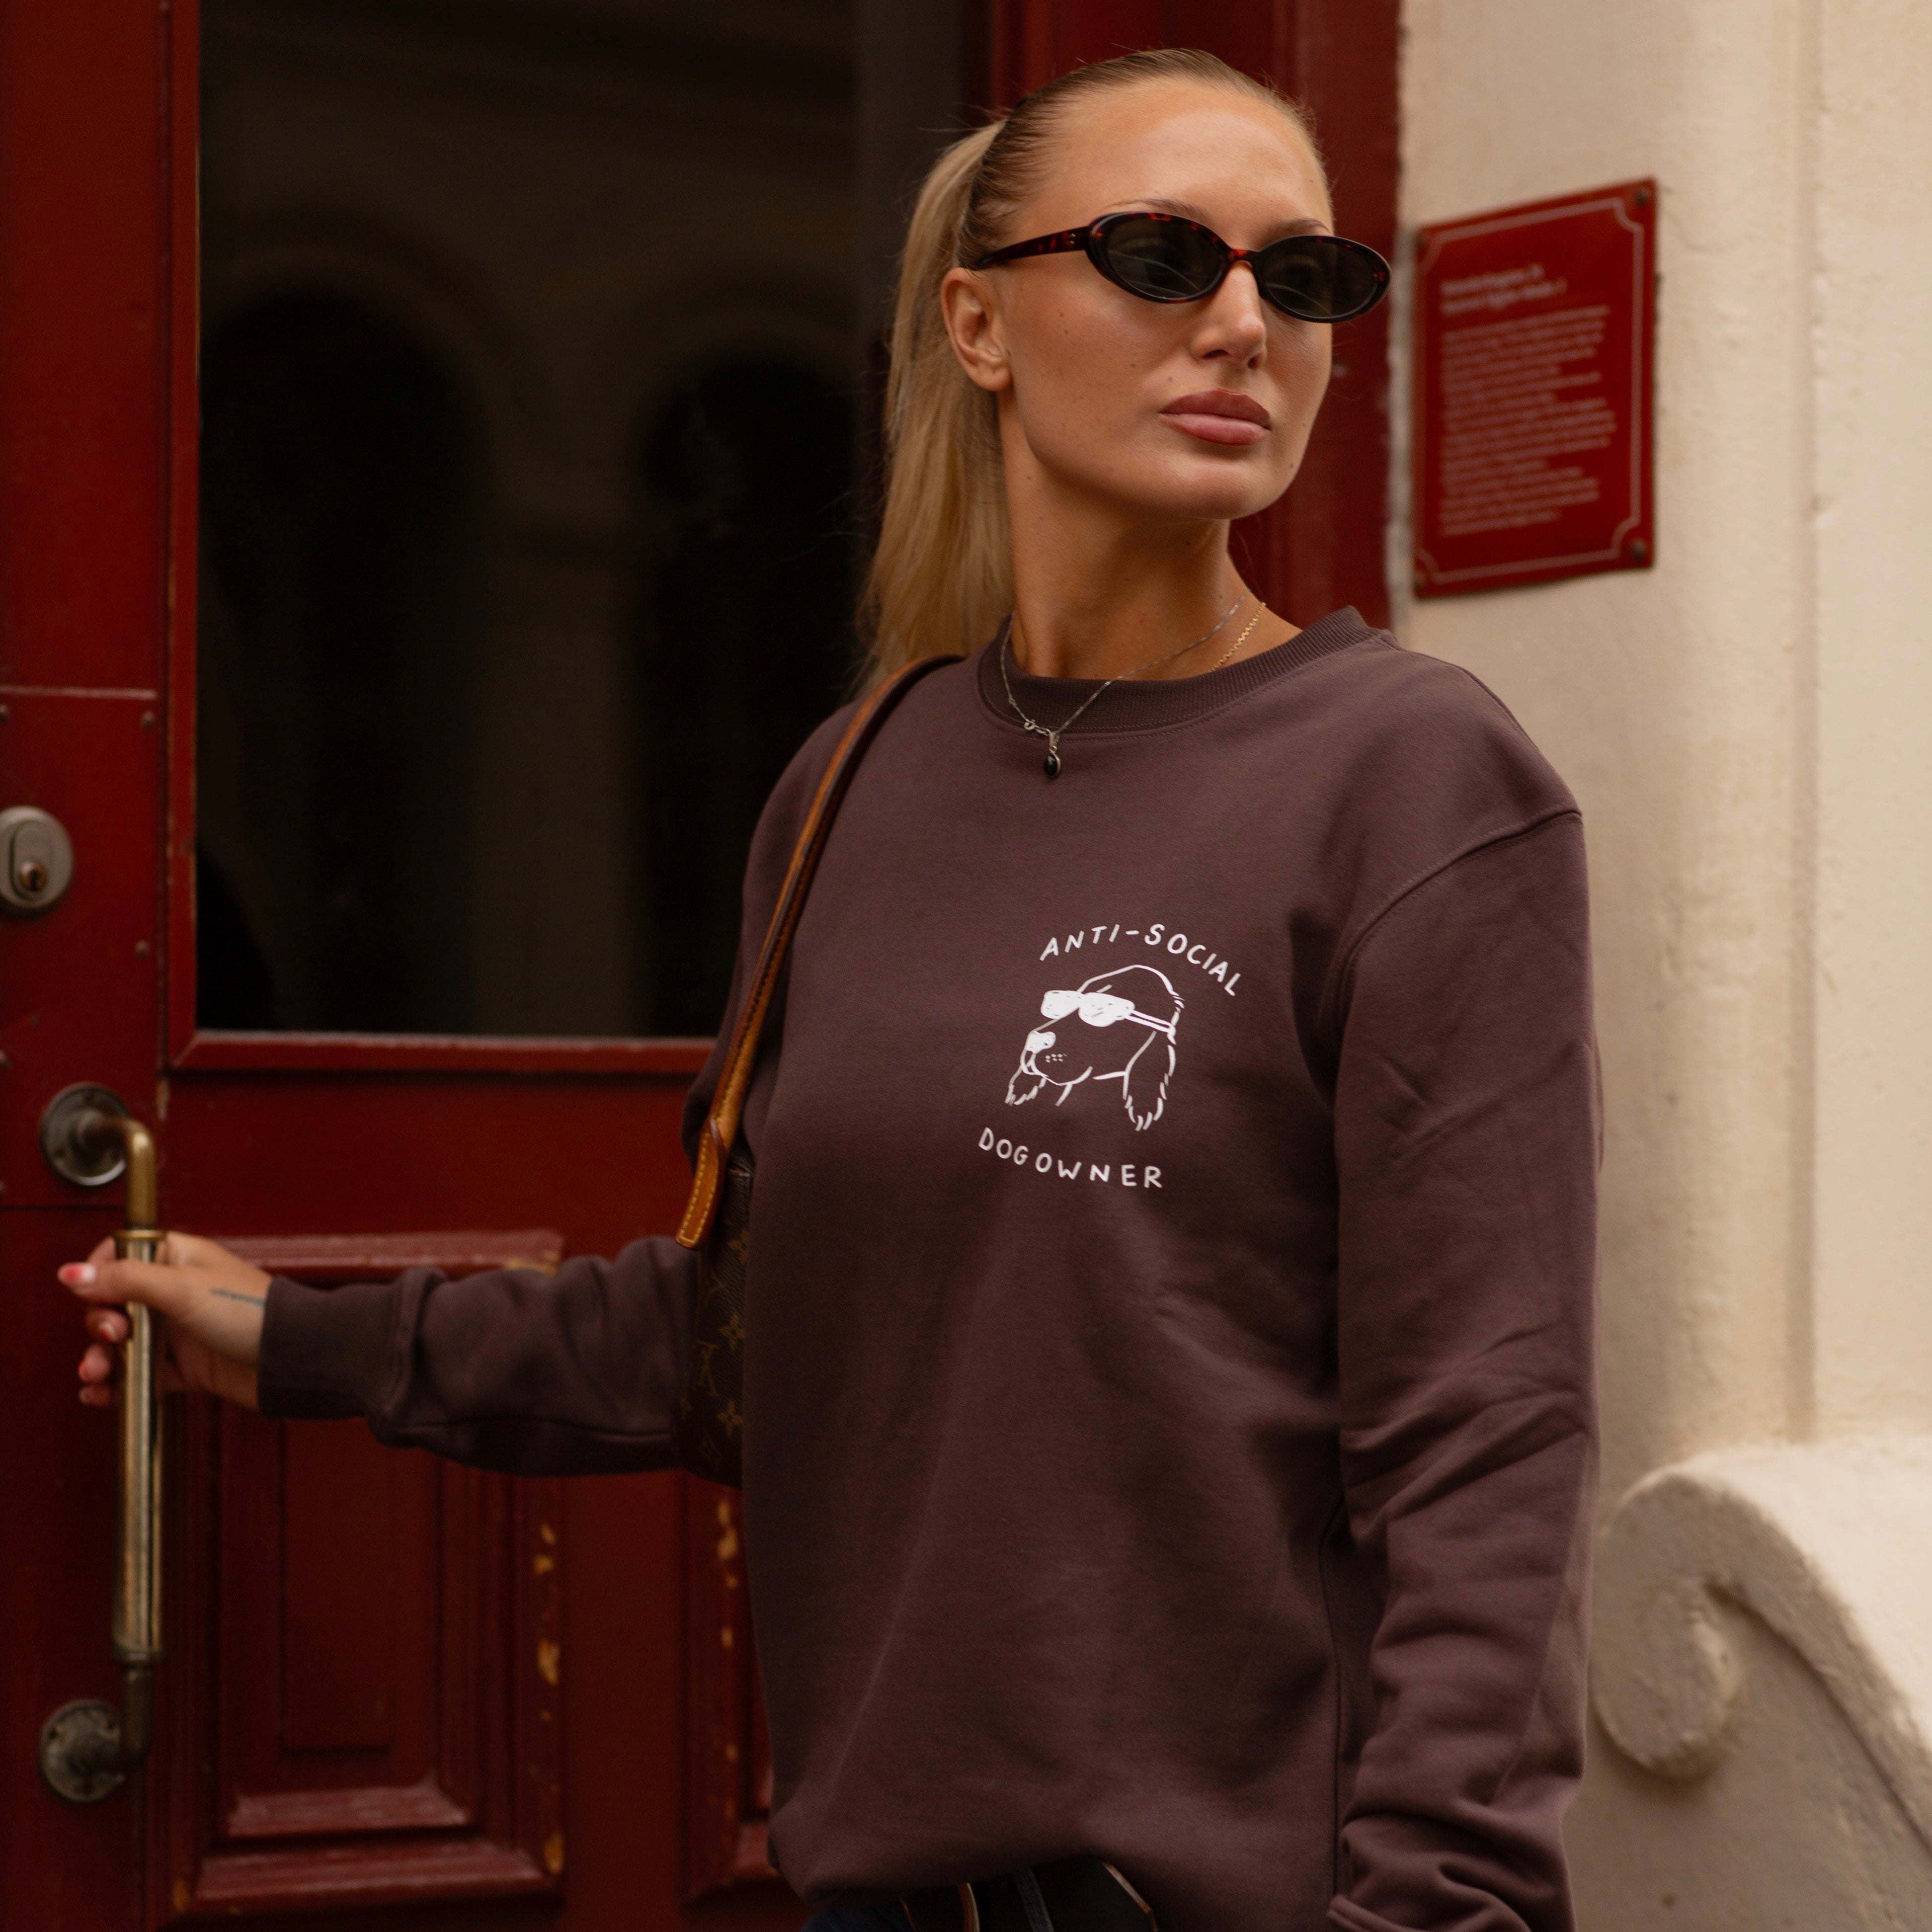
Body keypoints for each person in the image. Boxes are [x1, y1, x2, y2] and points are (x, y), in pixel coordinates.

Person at [64, 48, 1598, 1932]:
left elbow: (1487, 1435)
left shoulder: (1414, 775)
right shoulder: (854, 781)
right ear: (977, 322)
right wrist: (297, 1342)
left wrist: (1445, 1908)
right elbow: (750, 1327)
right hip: (879, 1882)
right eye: (1158, 256)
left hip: (1213, 1894)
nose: (1240, 324)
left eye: (1303, 277)